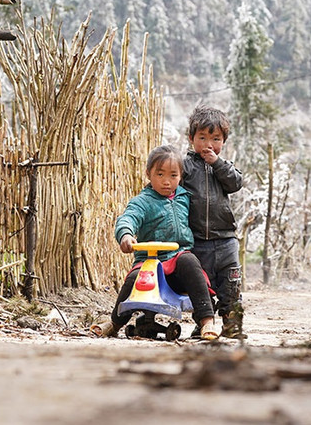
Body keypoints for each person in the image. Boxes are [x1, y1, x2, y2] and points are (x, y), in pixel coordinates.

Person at [90, 144, 219, 340]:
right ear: (148, 173)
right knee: (133, 280)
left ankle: (207, 321)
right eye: (160, 174)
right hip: (149, 261)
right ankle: (114, 323)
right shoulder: (143, 201)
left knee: (191, 262)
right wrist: (126, 235)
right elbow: (128, 218)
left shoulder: (184, 198)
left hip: (177, 259)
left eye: (173, 176)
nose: (167, 181)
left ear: (180, 176)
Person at [181, 105, 245, 338]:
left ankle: (232, 324)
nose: (209, 144)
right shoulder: (184, 167)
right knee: (201, 286)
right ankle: (203, 323)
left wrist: (217, 163)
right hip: (197, 240)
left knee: (231, 285)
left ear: (223, 141)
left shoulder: (223, 166)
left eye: (216, 138)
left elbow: (235, 183)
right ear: (191, 139)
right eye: (203, 138)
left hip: (226, 239)